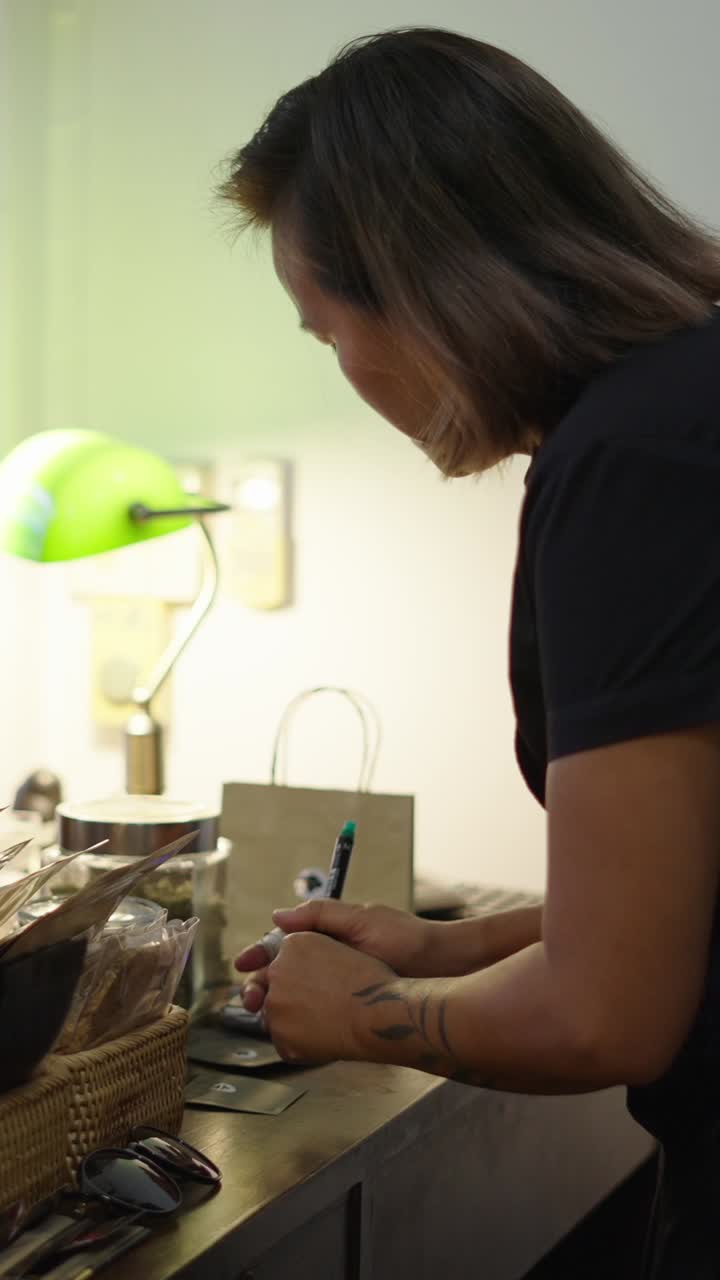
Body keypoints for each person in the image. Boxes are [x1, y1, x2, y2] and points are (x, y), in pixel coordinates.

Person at [223, 28, 720, 1277]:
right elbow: (689, 890)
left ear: (420, 287)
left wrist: (360, 1013)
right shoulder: (688, 398)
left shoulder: (629, 464)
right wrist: (451, 948)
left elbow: (607, 1013)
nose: (348, 371)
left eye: (326, 331)